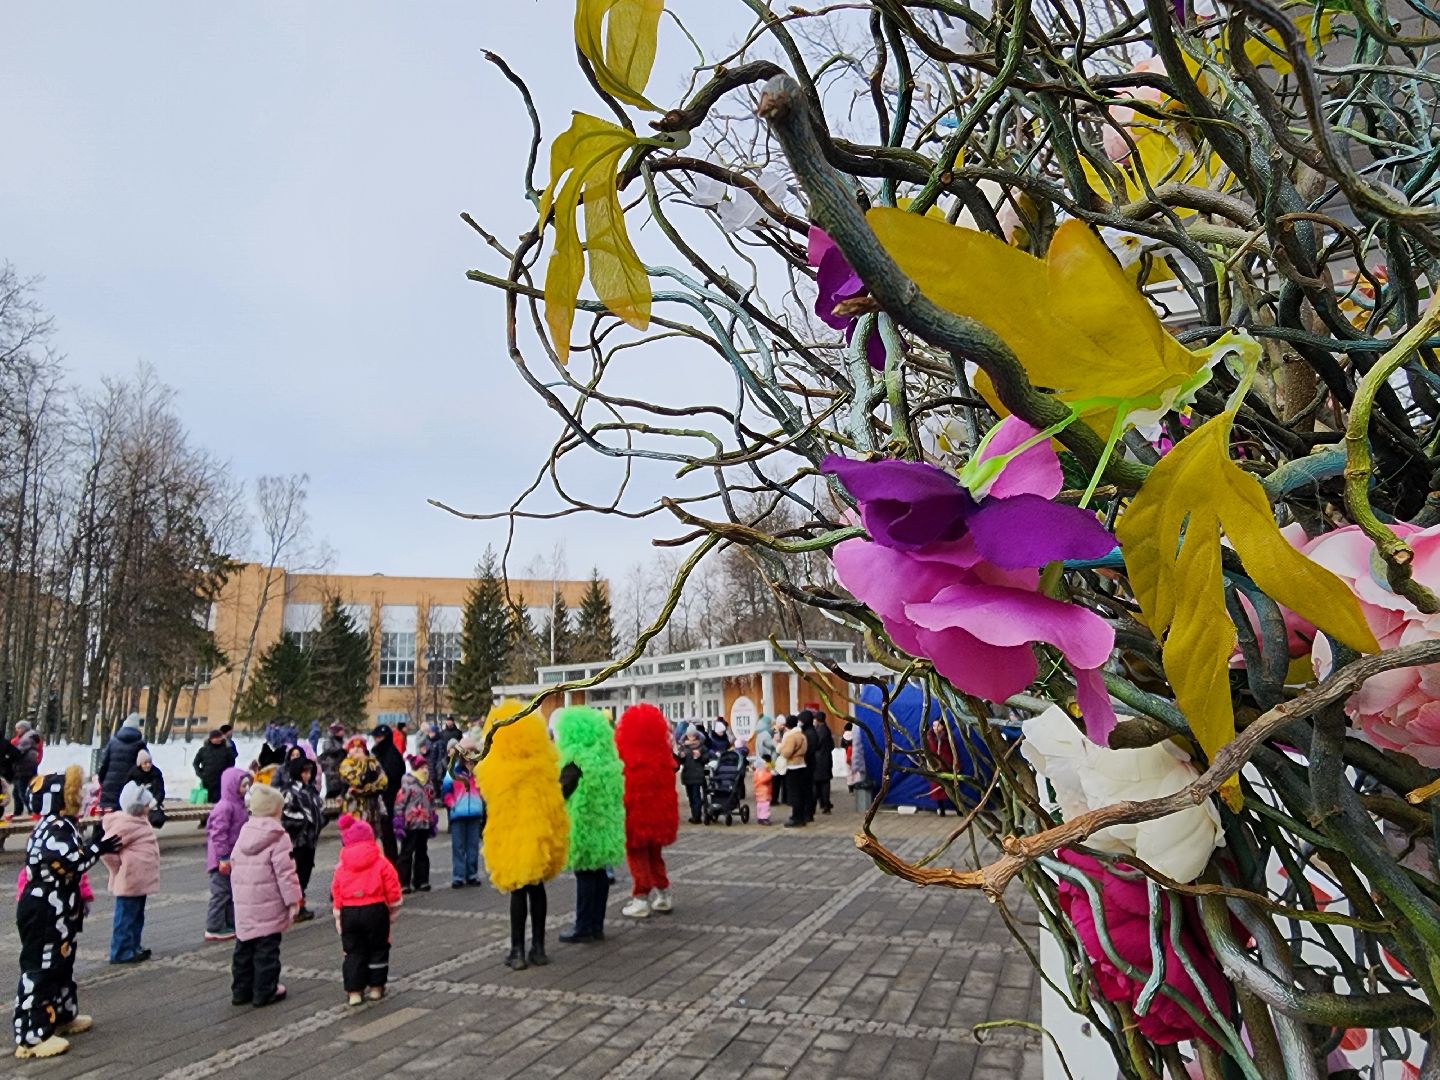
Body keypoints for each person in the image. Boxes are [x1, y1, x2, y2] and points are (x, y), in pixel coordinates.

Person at [12, 766, 120, 1059]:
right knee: (42, 967)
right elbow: (69, 860)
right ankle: (31, 1036)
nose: (82, 797)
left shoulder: (64, 825)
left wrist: (94, 848)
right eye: (76, 793)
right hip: (44, 910)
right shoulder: (52, 829)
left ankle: (60, 1015)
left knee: (61, 964)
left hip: (59, 909)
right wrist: (96, 848)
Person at [476, 700, 568, 971]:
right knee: (536, 889)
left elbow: (491, 805)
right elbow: (554, 803)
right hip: (538, 833)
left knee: (518, 891)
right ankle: (538, 948)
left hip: (513, 837)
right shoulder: (544, 764)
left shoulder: (496, 768)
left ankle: (517, 950)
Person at [554, 706, 626, 945]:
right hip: (604, 826)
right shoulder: (608, 757)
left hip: (583, 825)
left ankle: (584, 926)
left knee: (585, 875)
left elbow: (562, 791)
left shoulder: (575, 759)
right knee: (599, 875)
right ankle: (597, 925)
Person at [230, 783, 301, 1008]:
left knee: (244, 949)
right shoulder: (278, 837)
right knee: (266, 951)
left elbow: (233, 864)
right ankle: (265, 990)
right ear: (275, 811)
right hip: (268, 904)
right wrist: (293, 900)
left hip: (245, 904)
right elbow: (286, 873)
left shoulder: (244, 833)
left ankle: (241, 991)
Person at [615, 703, 680, 918]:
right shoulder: (662, 758)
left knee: (636, 856)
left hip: (635, 815)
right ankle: (663, 894)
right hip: (658, 816)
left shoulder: (625, 758)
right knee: (655, 855)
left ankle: (640, 897)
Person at [331, 813, 402, 1005]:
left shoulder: (342, 866)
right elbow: (393, 887)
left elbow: (336, 890)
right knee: (378, 947)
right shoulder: (381, 862)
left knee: (353, 951)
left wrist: (338, 913)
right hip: (376, 908)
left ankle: (354, 991)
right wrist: (394, 908)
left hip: (350, 911)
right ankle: (376, 988)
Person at [101, 781, 161, 964]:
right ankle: (121, 950)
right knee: (126, 916)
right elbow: (107, 849)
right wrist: (118, 867)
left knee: (136, 915)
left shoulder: (139, 821)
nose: (148, 809)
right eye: (146, 806)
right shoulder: (127, 824)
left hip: (138, 880)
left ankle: (133, 945)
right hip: (130, 879)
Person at [205, 767, 251, 942]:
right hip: (222, 860)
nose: (245, 789)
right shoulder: (225, 807)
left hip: (234, 857)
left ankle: (230, 922)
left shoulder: (238, 805)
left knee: (232, 892)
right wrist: (222, 857)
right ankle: (214, 926)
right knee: (221, 893)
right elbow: (218, 834)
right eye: (243, 785)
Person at [280, 757, 324, 922]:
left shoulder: (311, 790)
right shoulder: (290, 791)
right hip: (297, 841)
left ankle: (300, 902)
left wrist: (321, 820)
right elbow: (286, 815)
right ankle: (295, 906)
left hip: (310, 841)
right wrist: (304, 822)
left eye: (309, 772)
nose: (307, 775)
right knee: (296, 873)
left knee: (305, 872)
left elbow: (318, 809)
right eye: (304, 772)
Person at [340, 736, 395, 866]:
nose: (357, 749)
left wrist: (362, 790)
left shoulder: (373, 762)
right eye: (353, 747)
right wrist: (368, 783)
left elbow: (383, 783)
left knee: (374, 842)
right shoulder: (346, 764)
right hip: (354, 812)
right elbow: (357, 780)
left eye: (360, 747)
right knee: (354, 843)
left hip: (372, 811)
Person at [441, 737, 484, 888]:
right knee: (458, 847)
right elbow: (446, 792)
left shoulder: (479, 772)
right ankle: (458, 876)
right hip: (458, 814)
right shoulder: (452, 772)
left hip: (475, 813)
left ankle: (472, 874)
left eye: (473, 752)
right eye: (467, 752)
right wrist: (452, 804)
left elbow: (485, 790)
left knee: (473, 846)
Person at [393, 755, 435, 893]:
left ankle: (422, 880)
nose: (425, 770)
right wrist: (399, 820)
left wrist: (432, 817)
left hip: (424, 823)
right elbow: (400, 803)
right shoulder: (408, 783)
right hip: (410, 823)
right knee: (406, 852)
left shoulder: (428, 783)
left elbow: (431, 801)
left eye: (426, 767)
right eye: (422, 767)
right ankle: (403, 882)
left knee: (422, 852)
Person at [97, 713, 147, 812]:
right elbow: (146, 767)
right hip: (129, 791)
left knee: (108, 820)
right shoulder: (140, 745)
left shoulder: (112, 742)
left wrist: (102, 781)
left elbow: (103, 765)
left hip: (110, 790)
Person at [780, 715, 810, 828]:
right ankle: (801, 816)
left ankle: (795, 817)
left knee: (794, 793)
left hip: (793, 766)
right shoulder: (802, 735)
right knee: (801, 792)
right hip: (802, 764)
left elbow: (786, 753)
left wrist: (780, 748)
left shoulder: (791, 736)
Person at [924, 718, 956, 816]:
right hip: (936, 766)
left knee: (951, 788)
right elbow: (928, 753)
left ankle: (958, 808)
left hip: (947, 765)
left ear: (942, 726)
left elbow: (954, 752)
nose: (935, 728)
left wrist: (955, 765)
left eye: (938, 725)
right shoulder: (929, 738)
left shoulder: (948, 738)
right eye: (934, 726)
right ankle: (941, 809)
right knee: (937, 788)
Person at [193, 727, 233, 804]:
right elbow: (195, 763)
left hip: (221, 780)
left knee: (218, 802)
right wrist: (200, 773)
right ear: (210, 739)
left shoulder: (227, 750)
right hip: (207, 780)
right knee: (206, 801)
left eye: (219, 737)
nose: (217, 739)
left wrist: (227, 774)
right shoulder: (203, 750)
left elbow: (231, 764)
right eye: (215, 738)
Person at [10, 720, 41, 817]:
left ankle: (33, 811)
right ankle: (18, 812)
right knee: (16, 793)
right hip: (21, 769)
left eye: (18, 728)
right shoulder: (25, 737)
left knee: (23, 792)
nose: (17, 730)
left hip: (25, 769)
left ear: (24, 728)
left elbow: (17, 752)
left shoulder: (27, 738)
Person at [679, 738, 707, 825]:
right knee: (691, 797)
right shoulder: (684, 747)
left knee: (696, 796)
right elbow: (680, 761)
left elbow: (706, 759)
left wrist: (700, 757)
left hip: (697, 775)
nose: (691, 737)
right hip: (687, 775)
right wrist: (681, 756)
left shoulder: (702, 747)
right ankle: (694, 815)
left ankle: (697, 817)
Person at [813, 712, 835, 815]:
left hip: (819, 761)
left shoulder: (819, 731)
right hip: (826, 759)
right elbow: (832, 745)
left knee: (820, 784)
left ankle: (824, 803)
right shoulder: (827, 730)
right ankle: (825, 803)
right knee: (825, 783)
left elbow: (815, 744)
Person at [419, 721, 447, 798]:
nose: (430, 734)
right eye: (429, 732)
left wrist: (438, 766)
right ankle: (434, 796)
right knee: (432, 782)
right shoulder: (427, 741)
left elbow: (441, 756)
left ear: (436, 733)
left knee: (438, 782)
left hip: (436, 765)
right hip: (429, 765)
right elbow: (426, 753)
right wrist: (424, 752)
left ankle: (440, 797)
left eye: (432, 732)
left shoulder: (440, 742)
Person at [754, 755, 774, 826]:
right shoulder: (763, 771)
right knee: (765, 806)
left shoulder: (757, 770)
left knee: (760, 805)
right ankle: (764, 818)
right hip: (764, 792)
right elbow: (764, 779)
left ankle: (760, 817)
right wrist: (770, 774)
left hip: (759, 791)